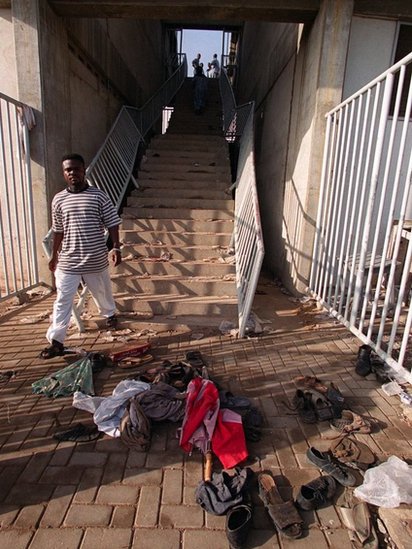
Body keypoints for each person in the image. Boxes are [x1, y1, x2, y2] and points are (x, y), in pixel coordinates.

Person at [40, 153, 122, 359]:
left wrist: (116, 248)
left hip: (95, 258)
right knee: (62, 299)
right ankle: (57, 340)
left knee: (102, 292)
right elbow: (58, 229)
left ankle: (110, 314)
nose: (72, 173)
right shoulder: (58, 199)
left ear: (83, 170)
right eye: (68, 170)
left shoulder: (98, 196)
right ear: (63, 173)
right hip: (68, 260)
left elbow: (112, 223)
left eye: (76, 169)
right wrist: (54, 256)